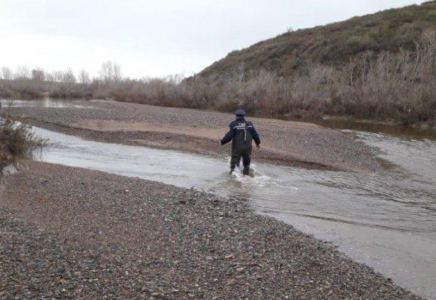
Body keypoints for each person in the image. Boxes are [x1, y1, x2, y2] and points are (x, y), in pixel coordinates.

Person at [220, 109, 261, 175]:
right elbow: (255, 135)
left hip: (237, 148)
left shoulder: (234, 125)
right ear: (244, 116)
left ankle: (235, 179)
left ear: (236, 116)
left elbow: (229, 136)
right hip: (247, 148)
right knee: (247, 164)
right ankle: (246, 177)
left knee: (234, 166)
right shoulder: (249, 125)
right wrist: (257, 143)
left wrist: (222, 141)